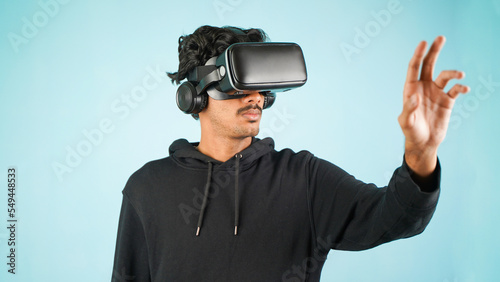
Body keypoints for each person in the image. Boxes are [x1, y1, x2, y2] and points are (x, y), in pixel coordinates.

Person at [112, 25, 469, 281]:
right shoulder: (147, 187)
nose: (256, 98)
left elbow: (393, 217)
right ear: (197, 94)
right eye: (241, 85)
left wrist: (421, 153)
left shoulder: (305, 179)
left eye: (263, 88)